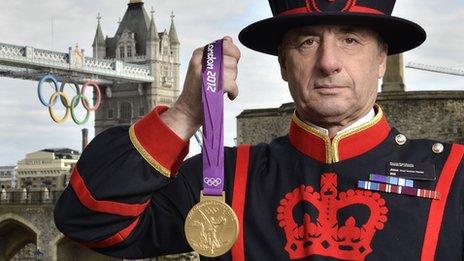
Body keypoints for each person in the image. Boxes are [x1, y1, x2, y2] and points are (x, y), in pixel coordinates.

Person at [54, 0, 464, 260]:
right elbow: (90, 222)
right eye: (306, 42)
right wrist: (184, 113)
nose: (328, 62)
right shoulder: (224, 179)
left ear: (381, 61)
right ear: (284, 64)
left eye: (351, 40)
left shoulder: (456, 177)